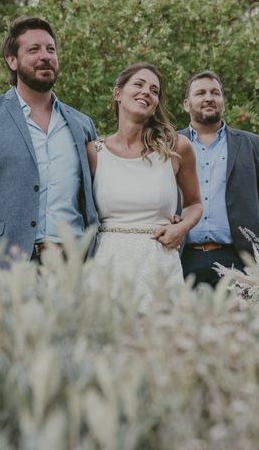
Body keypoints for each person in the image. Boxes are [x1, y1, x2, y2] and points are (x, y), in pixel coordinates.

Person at [0, 17, 98, 260]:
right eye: (33, 49)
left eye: (51, 49)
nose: (45, 56)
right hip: (6, 265)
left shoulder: (82, 124)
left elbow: (95, 198)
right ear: (12, 60)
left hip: (73, 267)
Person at [86, 63, 202, 297]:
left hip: (159, 265)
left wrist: (182, 227)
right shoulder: (93, 152)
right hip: (107, 266)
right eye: (138, 84)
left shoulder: (177, 148)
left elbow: (194, 204)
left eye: (154, 90)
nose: (146, 92)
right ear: (118, 93)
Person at [178, 70, 259, 287]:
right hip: (181, 257)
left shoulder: (253, 145)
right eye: (201, 93)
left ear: (222, 102)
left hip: (238, 260)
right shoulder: (169, 144)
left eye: (215, 93)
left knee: (237, 322)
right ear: (187, 104)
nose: (209, 98)